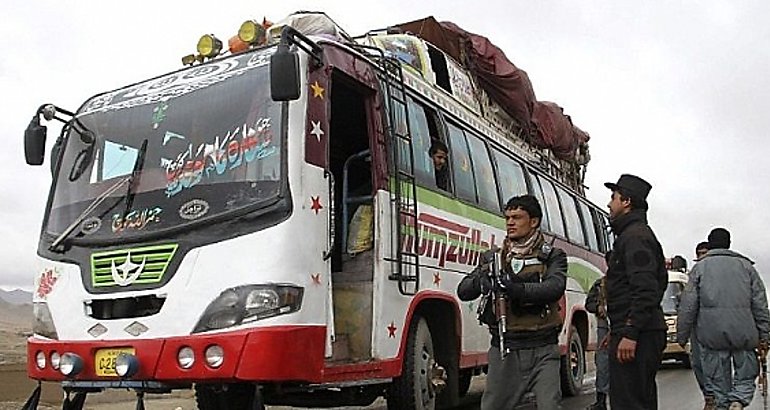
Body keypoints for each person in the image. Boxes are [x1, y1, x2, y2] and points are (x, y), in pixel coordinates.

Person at [457, 195, 566, 410]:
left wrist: (517, 289)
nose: (510, 223)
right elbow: (463, 290)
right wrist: (482, 281)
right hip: (506, 348)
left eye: (517, 217)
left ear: (533, 221)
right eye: (507, 217)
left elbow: (554, 287)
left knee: (549, 405)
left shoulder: (552, 256)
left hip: (543, 346)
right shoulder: (494, 258)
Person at [677, 228, 770, 410]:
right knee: (745, 375)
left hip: (711, 334)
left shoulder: (699, 269)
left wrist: (682, 334)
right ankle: (738, 401)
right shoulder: (747, 268)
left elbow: (688, 306)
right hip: (744, 333)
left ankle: (724, 403)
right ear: (729, 243)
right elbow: (760, 304)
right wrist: (764, 335)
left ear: (710, 244)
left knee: (718, 380)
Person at [604, 174, 667, 410]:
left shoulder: (636, 237)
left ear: (627, 201)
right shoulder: (631, 235)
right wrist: (618, 329)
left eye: (614, 197)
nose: (610, 204)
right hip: (638, 329)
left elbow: (646, 290)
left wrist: (630, 332)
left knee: (630, 403)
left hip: (641, 334)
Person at [688, 240, 713, 409]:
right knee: (698, 363)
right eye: (700, 253)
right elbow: (688, 304)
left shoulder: (721, 273)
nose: (702, 256)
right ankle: (710, 397)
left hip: (716, 328)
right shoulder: (695, 273)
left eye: (705, 252)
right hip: (698, 328)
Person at [585, 255, 610, 410]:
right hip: (604, 328)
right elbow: (589, 304)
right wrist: (598, 307)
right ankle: (601, 401)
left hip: (623, 329)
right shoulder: (600, 284)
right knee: (603, 365)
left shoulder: (628, 282)